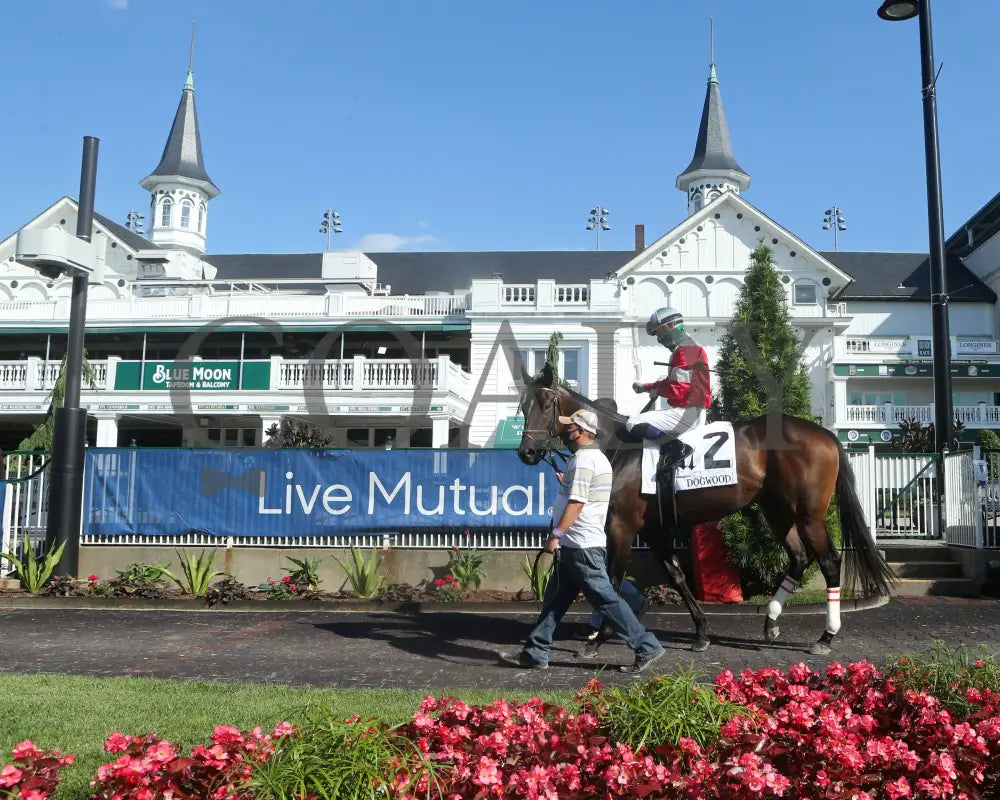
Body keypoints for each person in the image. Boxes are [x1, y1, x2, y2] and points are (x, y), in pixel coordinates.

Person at [500, 408, 665, 673]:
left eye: (570, 427)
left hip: (581, 545)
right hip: (577, 545)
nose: (566, 430)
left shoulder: (583, 461)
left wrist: (556, 535)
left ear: (583, 432)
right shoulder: (593, 459)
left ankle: (646, 646)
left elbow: (577, 503)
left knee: (607, 600)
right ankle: (535, 651)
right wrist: (568, 482)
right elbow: (583, 493)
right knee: (555, 599)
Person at [626, 307, 711, 443]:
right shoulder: (686, 348)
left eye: (659, 333)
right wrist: (646, 387)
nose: (659, 339)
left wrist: (657, 390)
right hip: (690, 412)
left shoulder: (687, 350)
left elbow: (679, 389)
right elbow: (673, 383)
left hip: (687, 414)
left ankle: (674, 446)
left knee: (633, 423)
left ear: (671, 325)